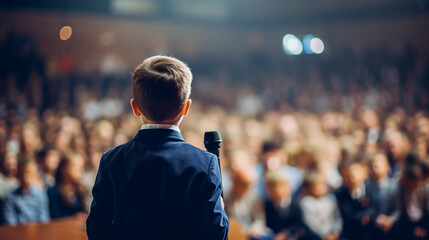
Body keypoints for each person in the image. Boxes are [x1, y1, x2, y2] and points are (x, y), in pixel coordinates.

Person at [86, 56, 229, 240]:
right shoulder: (205, 164)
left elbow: (97, 230)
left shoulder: (112, 160)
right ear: (186, 107)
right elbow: (216, 235)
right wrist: (221, 211)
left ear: (135, 107)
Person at [335, 156, 378, 240]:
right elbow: (348, 213)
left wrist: (368, 215)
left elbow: (375, 207)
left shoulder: (371, 189)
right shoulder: (341, 194)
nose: (353, 175)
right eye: (349, 173)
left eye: (356, 171)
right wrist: (362, 217)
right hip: (350, 233)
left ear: (364, 174)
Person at [3, 159, 50, 225]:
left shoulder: (41, 194)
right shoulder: (10, 197)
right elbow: (10, 220)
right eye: (22, 173)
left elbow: (44, 217)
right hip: (18, 232)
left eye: (28, 173)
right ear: (17, 174)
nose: (25, 177)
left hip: (38, 232)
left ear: (34, 174)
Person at [299, 171, 342, 240]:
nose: (321, 188)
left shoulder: (331, 199)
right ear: (310, 188)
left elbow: (337, 217)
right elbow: (311, 223)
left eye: (323, 185)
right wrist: (324, 235)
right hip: (315, 236)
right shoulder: (306, 202)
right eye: (317, 185)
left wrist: (335, 232)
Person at [47, 152, 86, 219]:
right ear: (64, 169)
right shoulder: (53, 192)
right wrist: (74, 217)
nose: (80, 170)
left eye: (81, 167)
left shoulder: (79, 190)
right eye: (75, 166)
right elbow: (55, 216)